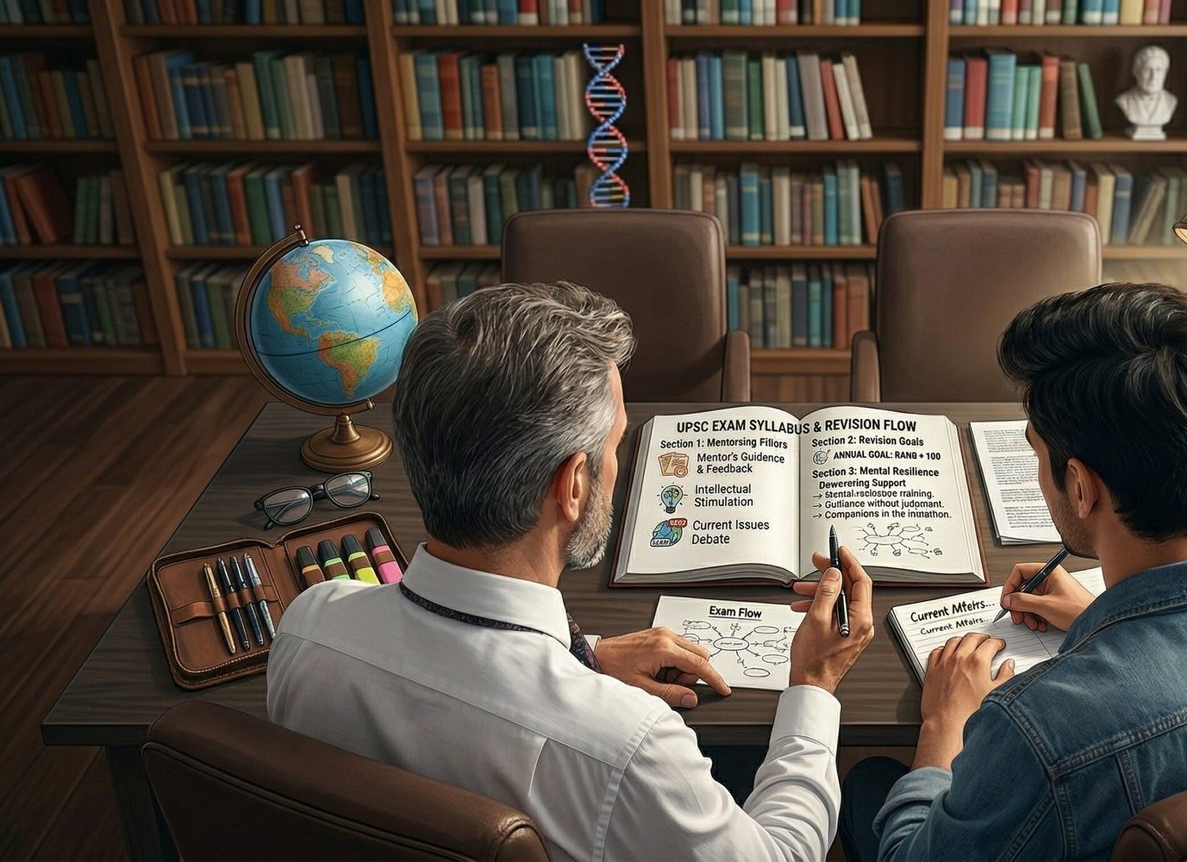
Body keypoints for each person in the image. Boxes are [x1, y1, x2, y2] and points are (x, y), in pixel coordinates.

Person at [267, 282, 876, 861]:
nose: (621, 469)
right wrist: (814, 684)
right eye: (616, 448)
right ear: (575, 485)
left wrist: (583, 654)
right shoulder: (629, 747)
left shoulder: (307, 626)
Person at [843, 283, 1187, 861]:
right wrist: (1098, 621)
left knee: (871, 777)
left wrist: (942, 728)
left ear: (1079, 486)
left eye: (1035, 454)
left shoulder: (1036, 731)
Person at [1115, 44, 1178, 138]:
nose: (1153, 77)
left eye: (1159, 70)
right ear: (1136, 72)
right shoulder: (1124, 100)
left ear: (1165, 73)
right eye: (1147, 70)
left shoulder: (1171, 101)